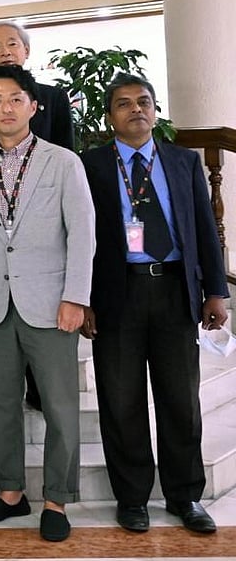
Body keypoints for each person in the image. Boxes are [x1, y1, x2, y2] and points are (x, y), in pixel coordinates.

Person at [80, 74, 228, 535]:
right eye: (124, 104)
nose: (136, 110)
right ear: (110, 116)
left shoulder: (183, 161)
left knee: (180, 400)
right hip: (116, 293)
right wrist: (81, 299)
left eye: (144, 102)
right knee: (120, 401)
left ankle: (185, 496)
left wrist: (216, 290)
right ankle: (132, 499)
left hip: (174, 290)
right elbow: (76, 236)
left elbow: (204, 226)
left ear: (155, 110)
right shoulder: (90, 165)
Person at [0, 65, 95, 543]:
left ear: (34, 106)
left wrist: (76, 297)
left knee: (59, 406)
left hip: (52, 303)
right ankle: (10, 491)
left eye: (16, 99)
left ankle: (57, 499)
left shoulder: (63, 162)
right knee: (0, 403)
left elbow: (82, 235)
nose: (6, 108)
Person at [0, 21, 74, 154]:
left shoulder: (54, 97)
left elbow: (66, 151)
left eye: (12, 44)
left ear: (26, 51)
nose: (6, 52)